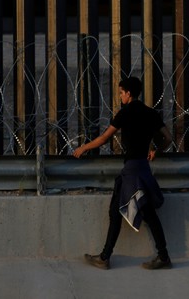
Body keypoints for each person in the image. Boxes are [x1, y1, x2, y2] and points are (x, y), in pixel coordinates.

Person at [72, 76, 173, 270]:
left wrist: (84, 148)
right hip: (143, 168)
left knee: (143, 213)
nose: (120, 96)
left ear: (128, 93)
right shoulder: (150, 113)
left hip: (131, 172)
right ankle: (107, 256)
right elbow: (167, 138)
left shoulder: (125, 113)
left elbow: (103, 139)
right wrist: (155, 150)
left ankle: (159, 256)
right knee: (121, 212)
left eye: (121, 92)